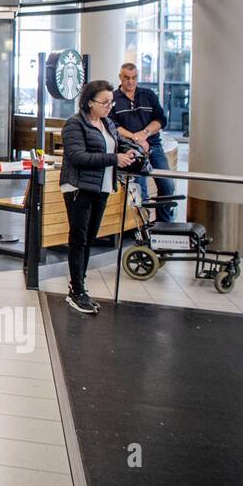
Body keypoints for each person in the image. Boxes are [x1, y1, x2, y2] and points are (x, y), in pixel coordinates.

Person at [60, 79, 138, 315]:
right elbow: (77, 157)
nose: (109, 106)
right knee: (79, 238)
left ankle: (79, 286)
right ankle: (77, 290)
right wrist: (114, 159)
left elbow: (117, 145)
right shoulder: (74, 124)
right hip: (78, 188)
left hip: (102, 187)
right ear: (89, 102)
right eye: (104, 102)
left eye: (111, 102)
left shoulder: (108, 124)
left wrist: (128, 151)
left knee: (90, 236)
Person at [110, 63, 176, 222]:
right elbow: (113, 126)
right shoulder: (113, 98)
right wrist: (136, 138)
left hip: (153, 146)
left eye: (134, 78)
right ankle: (146, 229)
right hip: (131, 150)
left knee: (167, 186)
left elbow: (161, 120)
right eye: (126, 78)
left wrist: (145, 134)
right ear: (120, 77)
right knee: (140, 190)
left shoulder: (148, 95)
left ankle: (164, 226)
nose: (131, 82)